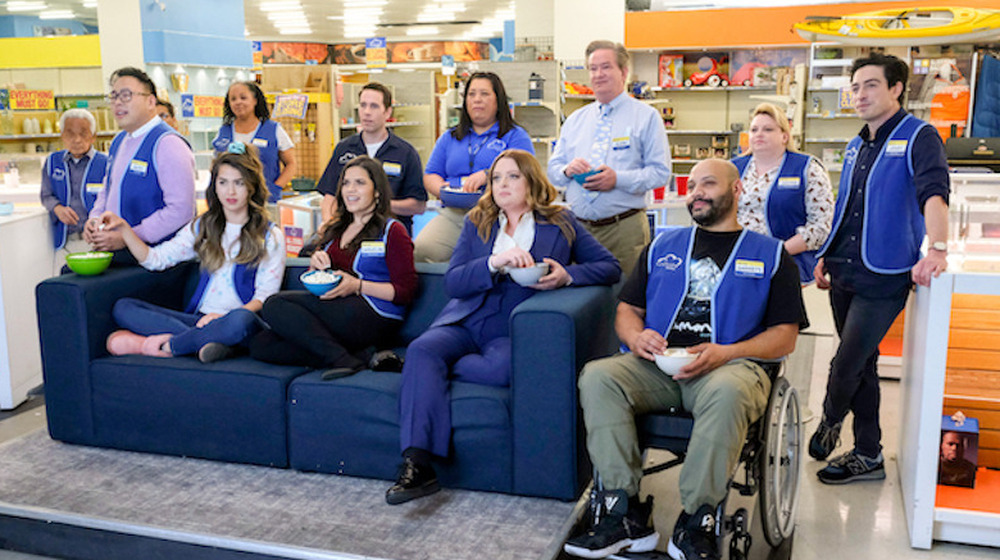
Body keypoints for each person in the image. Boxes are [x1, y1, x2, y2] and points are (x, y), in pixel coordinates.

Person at [565, 158, 804, 560]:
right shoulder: (662, 246)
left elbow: (785, 336)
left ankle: (697, 519)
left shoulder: (772, 255)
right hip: (658, 367)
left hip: (729, 368)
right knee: (598, 376)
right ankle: (621, 512)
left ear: (736, 190)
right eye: (691, 185)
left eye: (708, 184)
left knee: (728, 392)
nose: (697, 192)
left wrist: (727, 352)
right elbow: (627, 310)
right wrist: (636, 337)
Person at [387, 149, 621, 505]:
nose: (502, 184)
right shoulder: (477, 221)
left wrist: (567, 275)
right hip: (467, 319)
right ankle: (417, 464)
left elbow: (609, 266)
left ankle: (426, 372)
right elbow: (454, 283)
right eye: (496, 178)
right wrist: (493, 262)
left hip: (513, 327)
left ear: (532, 181)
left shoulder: (560, 221)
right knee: (422, 349)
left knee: (499, 369)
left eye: (512, 176)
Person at [810, 53, 950, 485]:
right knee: (865, 364)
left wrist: (938, 248)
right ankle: (868, 454)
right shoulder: (857, 143)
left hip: (884, 274)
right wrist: (825, 252)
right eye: (854, 87)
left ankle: (830, 418)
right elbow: (846, 205)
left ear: (896, 89)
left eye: (870, 85)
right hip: (844, 269)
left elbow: (934, 191)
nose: (860, 94)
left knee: (847, 361)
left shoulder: (919, 136)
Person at [101, 143, 285, 363]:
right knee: (124, 308)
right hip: (198, 321)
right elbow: (156, 259)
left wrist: (222, 318)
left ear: (252, 187)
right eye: (223, 182)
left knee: (240, 321)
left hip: (240, 321)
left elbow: (264, 297)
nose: (231, 192)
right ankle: (207, 343)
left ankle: (170, 345)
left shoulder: (270, 236)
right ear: (214, 186)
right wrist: (124, 229)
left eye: (239, 183)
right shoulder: (202, 227)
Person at [250, 156, 417, 379]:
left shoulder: (392, 230)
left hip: (375, 313)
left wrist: (357, 286)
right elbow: (322, 278)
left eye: (360, 183)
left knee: (275, 304)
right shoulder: (336, 230)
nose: (350, 189)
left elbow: (405, 292)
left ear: (377, 191)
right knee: (261, 344)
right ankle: (359, 357)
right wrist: (315, 267)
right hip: (337, 309)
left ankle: (344, 360)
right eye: (346, 183)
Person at [547, 40, 671, 276]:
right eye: (593, 68)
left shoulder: (646, 117)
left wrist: (617, 179)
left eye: (606, 67)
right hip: (578, 231)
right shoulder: (575, 120)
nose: (598, 74)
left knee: (624, 301)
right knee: (582, 303)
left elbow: (660, 172)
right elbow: (553, 170)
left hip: (624, 230)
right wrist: (567, 170)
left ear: (623, 72)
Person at [414, 71, 534, 263]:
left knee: (489, 260)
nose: (477, 100)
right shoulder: (450, 137)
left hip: (498, 215)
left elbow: (527, 174)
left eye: (484, 94)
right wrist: (444, 190)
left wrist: (490, 175)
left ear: (498, 100)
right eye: (472, 94)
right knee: (422, 250)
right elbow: (431, 175)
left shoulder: (515, 136)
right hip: (454, 213)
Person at [84, 66, 196, 258]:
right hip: (118, 251)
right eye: (114, 96)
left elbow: (181, 210)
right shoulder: (119, 141)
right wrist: (95, 219)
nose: (118, 102)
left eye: (126, 95)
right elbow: (108, 188)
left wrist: (129, 237)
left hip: (157, 256)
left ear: (150, 101)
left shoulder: (167, 143)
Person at [733, 102, 833, 284]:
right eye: (754, 130)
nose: (759, 134)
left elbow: (821, 227)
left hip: (789, 264)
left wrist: (776, 252)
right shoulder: (734, 168)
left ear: (785, 136)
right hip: (739, 263)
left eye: (768, 129)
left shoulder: (807, 168)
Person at [316, 82, 426, 234]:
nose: (367, 112)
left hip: (389, 234)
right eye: (363, 105)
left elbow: (418, 206)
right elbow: (329, 196)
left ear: (387, 112)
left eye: (374, 106)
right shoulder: (344, 149)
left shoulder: (406, 153)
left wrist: (378, 204)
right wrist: (328, 224)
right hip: (349, 233)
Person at [40, 108, 108, 274]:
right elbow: (46, 195)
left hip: (97, 242)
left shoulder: (106, 164)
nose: (77, 140)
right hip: (65, 241)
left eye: (83, 133)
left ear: (93, 136)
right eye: (70, 133)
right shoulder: (53, 162)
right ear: (62, 135)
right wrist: (57, 208)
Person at [213, 81, 297, 203]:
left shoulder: (274, 130)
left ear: (255, 100)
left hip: (265, 203)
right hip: (230, 204)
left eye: (243, 97)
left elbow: (291, 164)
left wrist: (276, 188)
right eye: (233, 99)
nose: (238, 102)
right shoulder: (223, 132)